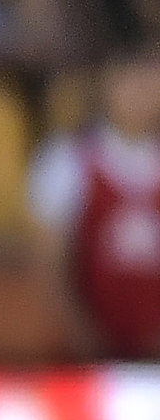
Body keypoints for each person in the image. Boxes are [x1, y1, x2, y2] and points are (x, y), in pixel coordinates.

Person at [30, 44, 160, 358]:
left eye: (150, 84)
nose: (141, 95)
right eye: (132, 82)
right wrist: (88, 343)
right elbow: (49, 268)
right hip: (85, 358)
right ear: (107, 85)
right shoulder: (66, 161)